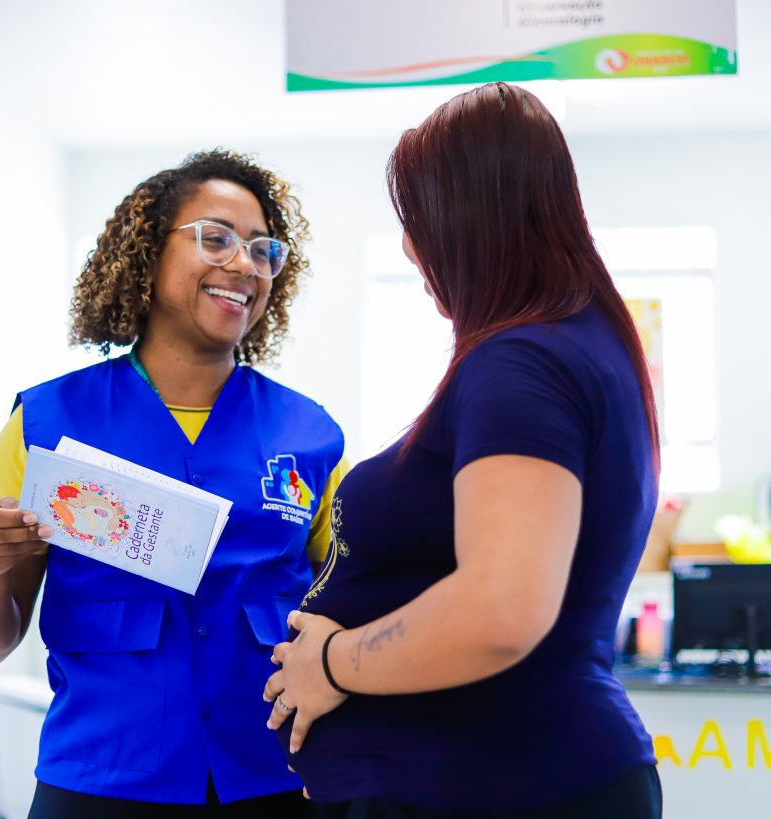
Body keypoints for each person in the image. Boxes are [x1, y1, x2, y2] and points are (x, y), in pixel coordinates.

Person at [264, 83, 663, 819]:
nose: (410, 247)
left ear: (471, 219)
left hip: (497, 781)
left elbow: (500, 610)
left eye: (417, 221)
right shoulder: (576, 346)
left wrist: (331, 663)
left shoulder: (522, 364)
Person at [0, 149, 348, 818]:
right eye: (216, 238)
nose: (245, 265)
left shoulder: (311, 436)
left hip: (273, 779)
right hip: (100, 783)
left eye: (263, 250)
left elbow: (350, 607)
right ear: (146, 253)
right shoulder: (45, 425)